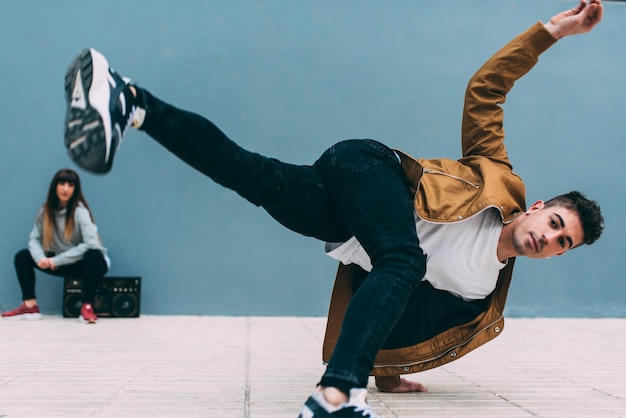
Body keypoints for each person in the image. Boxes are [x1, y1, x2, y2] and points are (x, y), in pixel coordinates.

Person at [61, 1, 604, 416]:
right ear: (535, 207)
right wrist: (551, 33)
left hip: (346, 223)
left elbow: (403, 308)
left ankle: (129, 101)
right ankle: (336, 395)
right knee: (402, 257)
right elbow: (485, 90)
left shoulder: (482, 295)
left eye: (563, 244)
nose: (549, 239)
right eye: (555, 224)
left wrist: (391, 375)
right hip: (372, 169)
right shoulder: (499, 179)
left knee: (252, 175)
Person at [2, 169, 110, 324]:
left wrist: (56, 261)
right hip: (60, 263)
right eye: (62, 184)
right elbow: (34, 238)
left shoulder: (80, 212)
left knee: (93, 254)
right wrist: (40, 258)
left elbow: (92, 243)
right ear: (55, 186)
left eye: (70, 185)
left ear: (75, 189)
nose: (65, 189)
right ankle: (30, 306)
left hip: (89, 264)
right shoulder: (45, 211)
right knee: (23, 256)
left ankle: (87, 306)